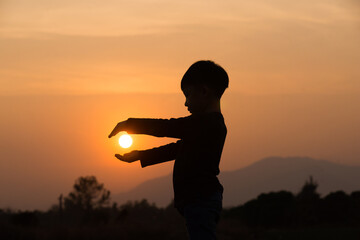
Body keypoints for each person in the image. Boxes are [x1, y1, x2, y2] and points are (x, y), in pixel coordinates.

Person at [108, 60, 229, 239]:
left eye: (188, 95)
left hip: (200, 199)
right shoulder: (208, 125)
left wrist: (130, 124)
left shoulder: (206, 123)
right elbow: (176, 149)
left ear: (204, 92)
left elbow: (168, 127)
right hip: (199, 199)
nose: (186, 103)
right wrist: (141, 155)